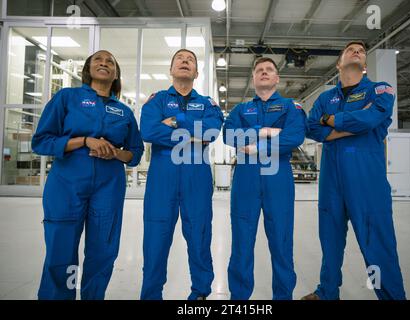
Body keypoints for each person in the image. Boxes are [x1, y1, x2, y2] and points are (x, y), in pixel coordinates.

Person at [32, 50, 144, 300]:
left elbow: (135, 153)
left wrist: (114, 152)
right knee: (62, 249)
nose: (104, 63)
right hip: (67, 183)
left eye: (110, 62)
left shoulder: (123, 111)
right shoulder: (66, 98)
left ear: (115, 74)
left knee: (103, 250)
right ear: (87, 69)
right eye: (98, 60)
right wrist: (84, 141)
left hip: (109, 185)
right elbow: (41, 142)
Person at [303, 41, 406, 300]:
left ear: (365, 65)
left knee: (377, 244)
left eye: (361, 50)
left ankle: (391, 296)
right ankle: (327, 292)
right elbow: (312, 128)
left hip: (366, 180)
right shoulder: (326, 97)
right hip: (331, 181)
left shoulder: (380, 90)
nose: (357, 51)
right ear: (339, 63)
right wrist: (354, 124)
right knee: (330, 241)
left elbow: (373, 118)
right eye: (351, 49)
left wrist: (333, 121)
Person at [140, 49, 224, 300]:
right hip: (161, 180)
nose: (185, 61)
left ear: (196, 73)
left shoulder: (208, 103)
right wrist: (193, 134)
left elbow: (210, 133)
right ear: (171, 69)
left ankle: (200, 294)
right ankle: (151, 295)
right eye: (180, 59)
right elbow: (148, 131)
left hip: (196, 178)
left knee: (199, 237)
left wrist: (173, 121)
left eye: (190, 60)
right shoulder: (156, 100)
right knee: (155, 240)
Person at [223, 57, 307, 300]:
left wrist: (254, 145)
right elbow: (229, 135)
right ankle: (239, 298)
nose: (264, 72)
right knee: (241, 242)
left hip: (278, 177)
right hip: (246, 178)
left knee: (281, 242)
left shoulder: (291, 107)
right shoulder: (240, 110)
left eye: (269, 69)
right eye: (259, 70)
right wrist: (266, 132)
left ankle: (283, 297)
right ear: (253, 79)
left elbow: (294, 136)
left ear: (277, 78)